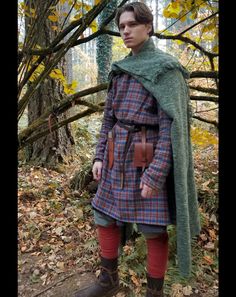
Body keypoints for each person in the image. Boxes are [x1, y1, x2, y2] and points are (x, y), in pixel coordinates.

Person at [74, 2, 200, 297]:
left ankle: (154, 292)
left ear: (148, 26)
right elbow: (109, 118)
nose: (126, 30)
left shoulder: (167, 70)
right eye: (121, 26)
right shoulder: (121, 70)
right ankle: (108, 280)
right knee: (103, 214)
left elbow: (172, 129)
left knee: (151, 226)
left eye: (132, 24)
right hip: (116, 153)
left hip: (147, 152)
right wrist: (98, 155)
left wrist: (155, 173)